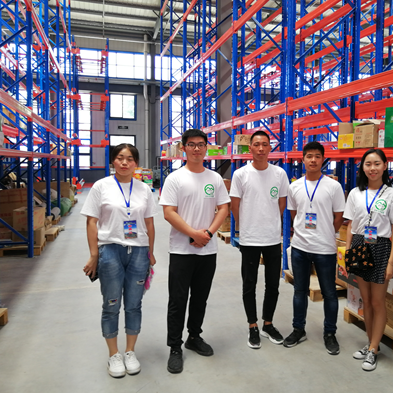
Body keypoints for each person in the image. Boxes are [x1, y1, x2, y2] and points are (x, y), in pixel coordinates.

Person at [81, 144, 157, 378]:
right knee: (111, 304)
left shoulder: (144, 189)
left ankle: (130, 352)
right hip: (110, 250)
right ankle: (114, 354)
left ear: (136, 163)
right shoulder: (101, 186)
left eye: (130, 159)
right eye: (120, 158)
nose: (125, 163)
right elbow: (91, 222)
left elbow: (150, 223)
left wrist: (151, 252)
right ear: (113, 161)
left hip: (139, 252)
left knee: (134, 304)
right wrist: (94, 254)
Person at [159, 128, 230, 374]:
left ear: (206, 147)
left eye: (201, 144)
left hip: (207, 251)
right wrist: (193, 234)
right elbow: (168, 212)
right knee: (178, 300)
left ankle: (194, 336)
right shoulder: (175, 178)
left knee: (200, 297)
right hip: (181, 250)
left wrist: (207, 234)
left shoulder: (215, 178)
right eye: (191, 144)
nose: (197, 149)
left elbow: (224, 208)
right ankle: (175, 347)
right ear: (183, 148)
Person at [344, 148, 393, 371]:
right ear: (363, 167)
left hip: (381, 248)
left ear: (385, 166)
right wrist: (348, 252)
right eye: (368, 164)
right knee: (366, 299)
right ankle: (372, 344)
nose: (372, 168)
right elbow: (350, 225)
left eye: (377, 164)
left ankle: (372, 349)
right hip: (359, 245)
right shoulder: (355, 193)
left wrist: (391, 262)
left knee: (378, 301)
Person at [229, 130, 289, 349]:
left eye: (265, 144)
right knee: (249, 284)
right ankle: (252, 325)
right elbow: (235, 206)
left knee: (273, 284)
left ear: (270, 148)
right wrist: (246, 226)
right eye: (257, 144)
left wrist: (270, 222)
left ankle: (268, 324)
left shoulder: (279, 174)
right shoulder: (241, 174)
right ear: (250, 148)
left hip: (272, 237)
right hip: (250, 238)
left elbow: (281, 204)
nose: (261, 148)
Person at [284, 141, 345, 355]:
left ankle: (330, 333)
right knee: (299, 291)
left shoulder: (333, 186)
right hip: (300, 247)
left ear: (323, 159)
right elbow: (294, 215)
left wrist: (326, 233)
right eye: (309, 156)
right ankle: (298, 329)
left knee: (329, 293)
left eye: (317, 156)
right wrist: (304, 231)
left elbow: (339, 216)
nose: (313, 160)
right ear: (303, 159)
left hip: (325, 249)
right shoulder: (294, 186)